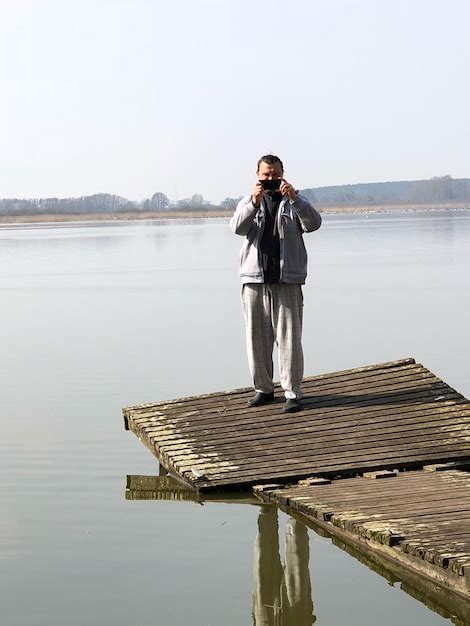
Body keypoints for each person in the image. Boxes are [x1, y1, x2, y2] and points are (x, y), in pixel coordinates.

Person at [230, 154, 322, 413]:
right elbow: (236, 228)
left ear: (283, 174)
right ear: (257, 176)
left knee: (290, 339)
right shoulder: (248, 202)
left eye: (274, 175)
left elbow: (314, 224)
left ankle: (292, 392)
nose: (270, 180)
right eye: (265, 175)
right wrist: (253, 202)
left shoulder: (295, 202)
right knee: (256, 338)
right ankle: (264, 389)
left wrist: (295, 198)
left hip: (287, 279)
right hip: (254, 280)